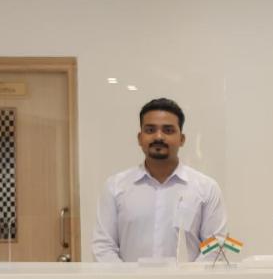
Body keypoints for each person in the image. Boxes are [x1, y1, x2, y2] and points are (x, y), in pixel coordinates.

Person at [92, 98, 227, 262]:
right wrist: (129, 278)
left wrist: (188, 277)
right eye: (150, 130)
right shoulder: (115, 187)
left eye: (168, 130)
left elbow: (215, 246)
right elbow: (103, 247)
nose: (158, 136)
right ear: (140, 138)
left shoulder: (207, 188)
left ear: (182, 139)